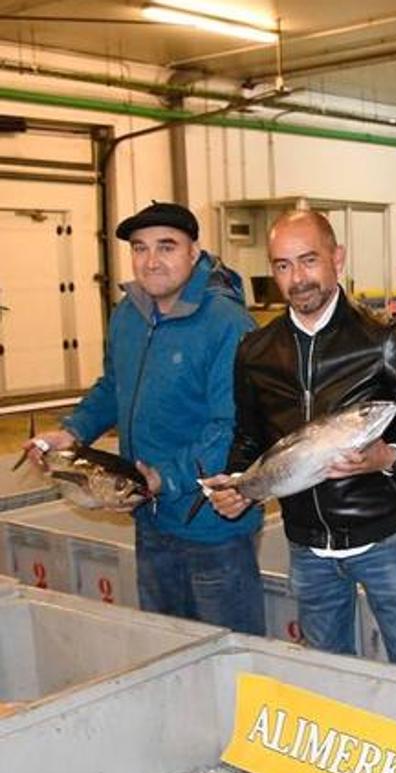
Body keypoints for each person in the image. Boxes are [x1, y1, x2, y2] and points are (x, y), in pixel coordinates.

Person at [205, 210, 396, 669]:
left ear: (337, 258)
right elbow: (249, 438)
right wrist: (238, 486)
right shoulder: (256, 351)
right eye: (282, 265)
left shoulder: (385, 342)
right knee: (327, 672)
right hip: (307, 548)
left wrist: (387, 457)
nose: (297, 278)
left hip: (385, 542)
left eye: (308, 260)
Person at [22, 201, 266, 633]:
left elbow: (229, 428)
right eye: (140, 248)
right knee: (166, 647)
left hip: (210, 524)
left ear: (194, 253)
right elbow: (112, 388)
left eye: (166, 247)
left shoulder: (227, 324)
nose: (151, 261)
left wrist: (165, 478)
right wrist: (72, 431)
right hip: (149, 519)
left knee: (229, 652)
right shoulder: (128, 316)